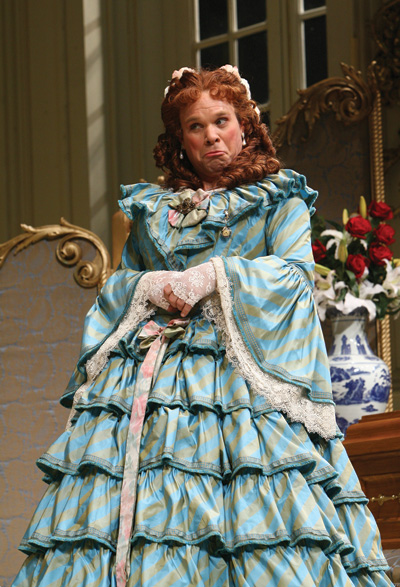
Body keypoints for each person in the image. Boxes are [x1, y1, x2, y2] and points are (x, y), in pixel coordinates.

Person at [12, 66, 392, 587]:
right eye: (196, 126)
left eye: (222, 121)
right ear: (180, 140)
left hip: (242, 382)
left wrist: (215, 276)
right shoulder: (153, 211)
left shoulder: (278, 199)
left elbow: (295, 277)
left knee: (262, 514)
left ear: (245, 126)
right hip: (149, 378)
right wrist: (149, 285)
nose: (211, 136)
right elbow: (118, 285)